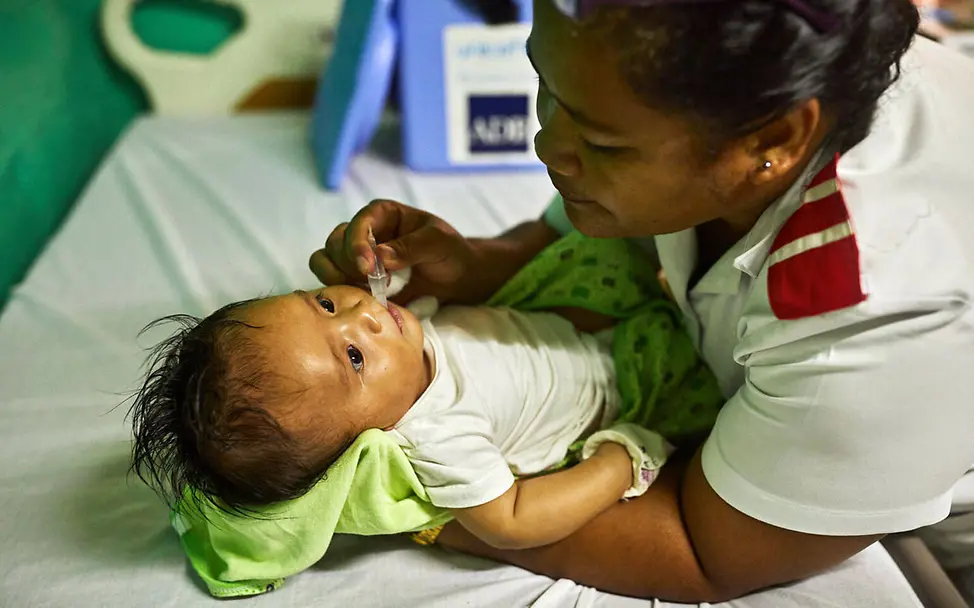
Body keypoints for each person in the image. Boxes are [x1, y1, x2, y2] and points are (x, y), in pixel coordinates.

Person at [309, 0, 974, 602]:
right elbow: (588, 239)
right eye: (546, 86)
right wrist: (473, 271)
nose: (548, 145)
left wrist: (408, 504)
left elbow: (702, 548)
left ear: (771, 144)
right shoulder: (752, 77)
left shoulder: (873, 317)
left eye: (599, 142)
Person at [128, 282, 679, 551]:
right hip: (632, 392)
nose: (362, 314)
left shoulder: (400, 337)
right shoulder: (437, 436)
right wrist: (617, 463)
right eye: (352, 357)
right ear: (365, 440)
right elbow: (513, 520)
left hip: (592, 332)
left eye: (322, 304)